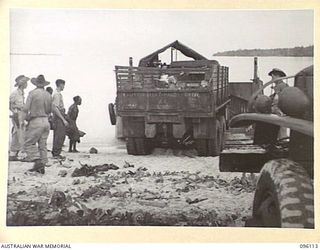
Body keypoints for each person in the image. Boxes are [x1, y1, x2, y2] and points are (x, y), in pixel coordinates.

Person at [21, 75, 68, 173]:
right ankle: (42, 164)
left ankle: (37, 161)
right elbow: (49, 109)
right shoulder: (48, 94)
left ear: (36, 83)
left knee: (28, 143)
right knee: (42, 144)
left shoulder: (32, 93)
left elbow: (26, 109)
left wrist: (23, 119)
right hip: (46, 121)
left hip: (36, 120)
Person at [9, 75, 29, 161]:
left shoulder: (22, 93)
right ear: (22, 83)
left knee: (16, 134)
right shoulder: (15, 93)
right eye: (25, 82)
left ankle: (13, 154)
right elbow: (10, 105)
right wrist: (15, 112)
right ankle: (21, 153)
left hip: (21, 115)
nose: (27, 84)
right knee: (20, 134)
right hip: (17, 115)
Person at [268, 68, 289, 139]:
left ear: (278, 76)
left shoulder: (281, 86)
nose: (272, 79)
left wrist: (275, 109)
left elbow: (277, 99)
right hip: (280, 111)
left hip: (280, 111)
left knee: (281, 130)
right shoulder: (281, 85)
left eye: (273, 77)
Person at [52, 79, 67, 158]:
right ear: (60, 84)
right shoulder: (57, 94)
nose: (64, 86)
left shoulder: (57, 94)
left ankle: (56, 152)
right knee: (59, 135)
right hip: (58, 116)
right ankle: (56, 153)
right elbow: (55, 108)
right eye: (63, 85)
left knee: (59, 134)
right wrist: (63, 119)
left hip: (59, 116)